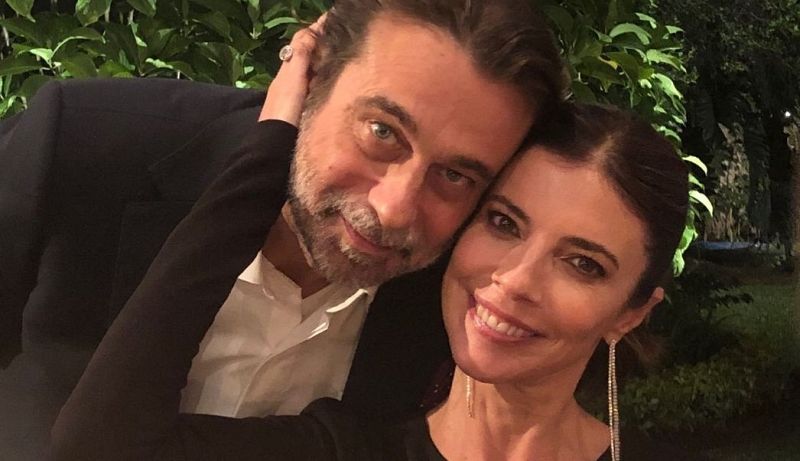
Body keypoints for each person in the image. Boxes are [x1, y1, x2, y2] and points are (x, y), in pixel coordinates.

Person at [0, 2, 564, 458]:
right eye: (382, 132)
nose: (395, 210)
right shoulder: (83, 144)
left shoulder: (461, 306)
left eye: (456, 176)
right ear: (310, 78)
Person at [51, 94, 699, 459]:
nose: (516, 279)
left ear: (631, 311)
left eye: (583, 263)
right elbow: (101, 445)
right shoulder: (343, 448)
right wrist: (277, 141)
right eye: (503, 223)